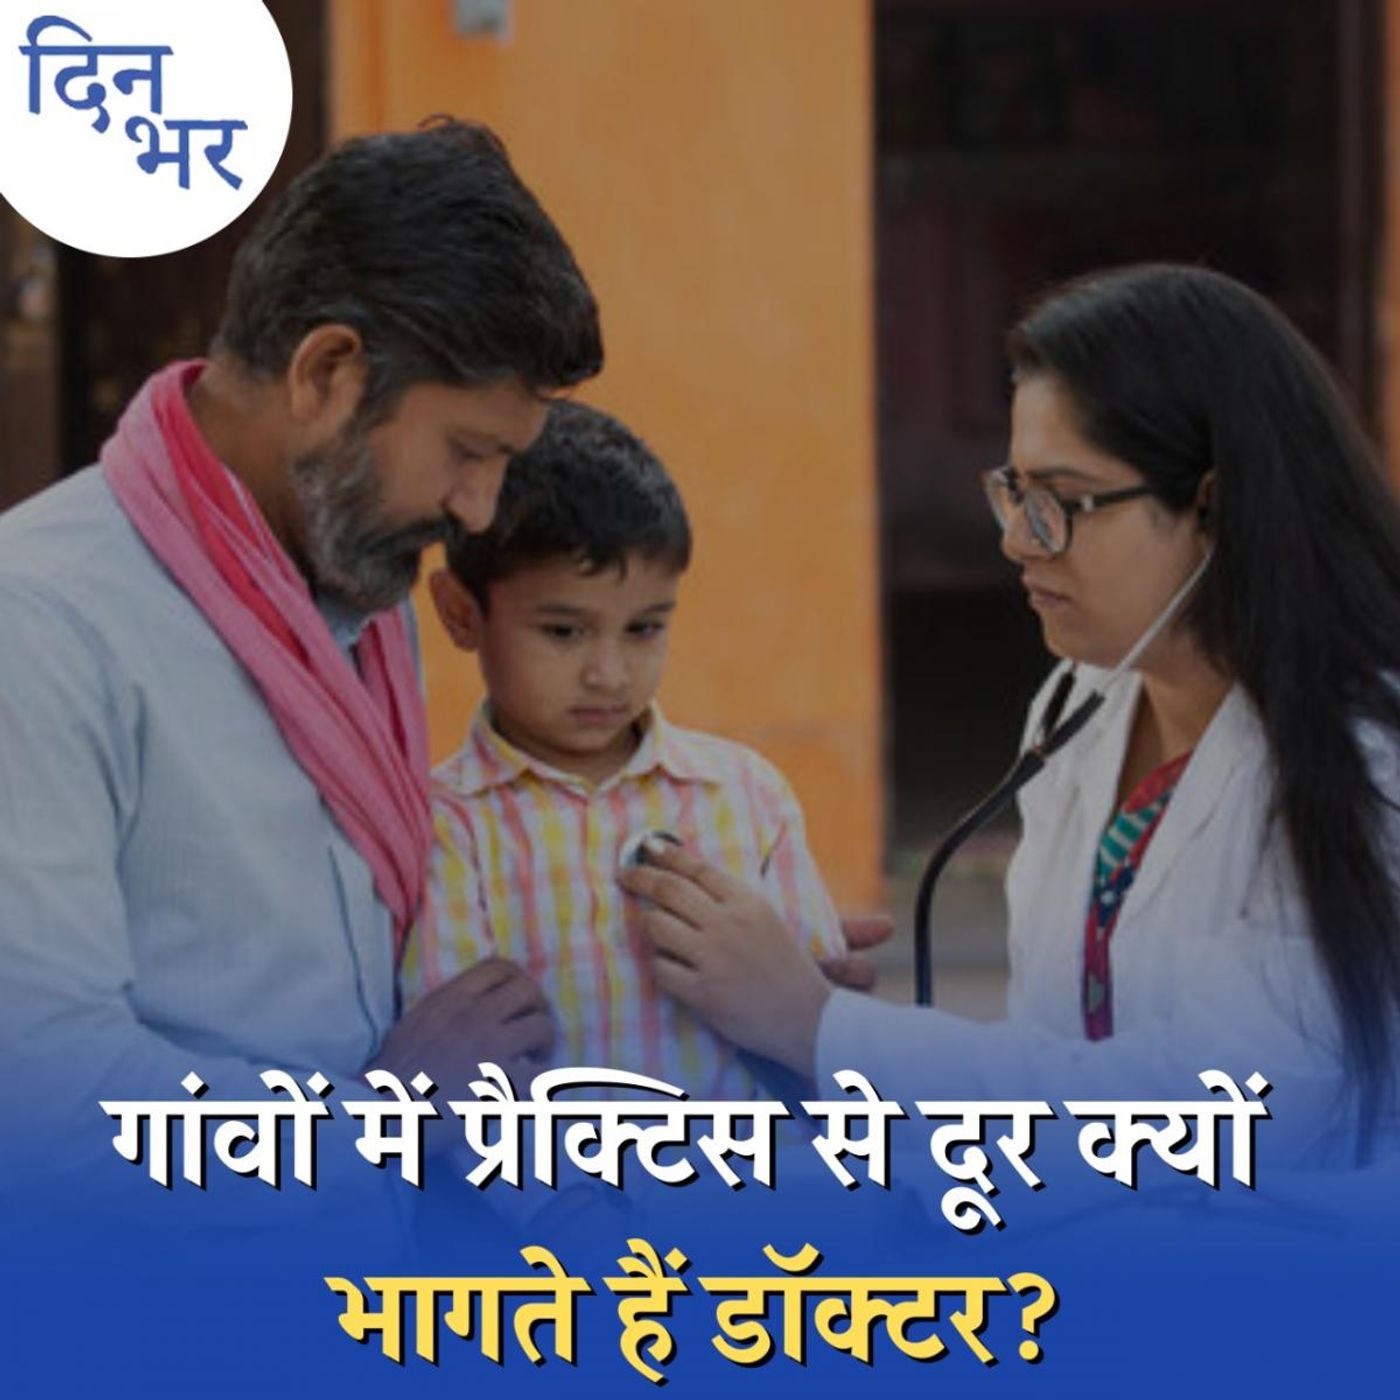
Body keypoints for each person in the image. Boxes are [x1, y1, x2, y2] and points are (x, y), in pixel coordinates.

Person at [621, 263, 1400, 1164]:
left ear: (1212, 509)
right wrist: (802, 1012)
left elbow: (1208, 1111)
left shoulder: (1370, 759)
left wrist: (820, 1027)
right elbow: (1058, 1054)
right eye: (1015, 492)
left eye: (1062, 502)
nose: (1018, 540)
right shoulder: (1082, 706)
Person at [0, 118, 602, 1211]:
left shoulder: (357, 588)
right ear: (325, 373)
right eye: (467, 452)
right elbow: (48, 1104)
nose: (478, 510)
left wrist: (697, 959)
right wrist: (380, 1124)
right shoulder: (39, 625)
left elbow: (394, 957)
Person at [405, 400, 845, 1099]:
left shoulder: (745, 797)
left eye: (643, 629)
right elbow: (468, 1086)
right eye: (563, 632)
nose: (608, 675)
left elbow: (817, 1033)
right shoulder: (445, 828)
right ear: (462, 613)